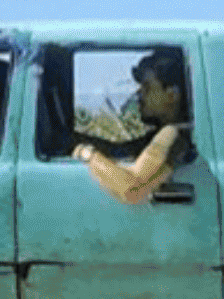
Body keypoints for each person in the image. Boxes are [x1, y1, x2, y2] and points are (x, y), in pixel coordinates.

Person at [71, 49, 192, 203]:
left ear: (171, 95)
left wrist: (87, 154)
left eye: (147, 87)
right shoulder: (168, 133)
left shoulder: (172, 133)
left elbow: (133, 190)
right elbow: (126, 149)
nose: (139, 94)